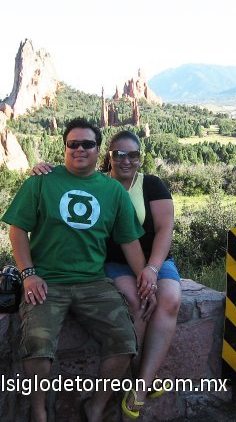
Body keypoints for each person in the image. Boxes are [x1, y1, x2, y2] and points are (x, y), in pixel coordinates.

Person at [2, 119, 158, 422]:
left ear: (98, 150)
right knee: (37, 344)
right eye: (73, 143)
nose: (80, 149)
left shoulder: (112, 191)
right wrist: (28, 273)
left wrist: (147, 283)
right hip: (47, 281)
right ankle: (38, 412)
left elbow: (130, 243)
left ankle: (95, 407)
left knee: (125, 342)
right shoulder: (41, 182)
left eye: (87, 144)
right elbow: (17, 230)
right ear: (64, 148)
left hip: (93, 282)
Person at [32, 129, 181, 419]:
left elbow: (165, 229)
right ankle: (140, 377)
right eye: (118, 154)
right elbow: (66, 179)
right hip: (115, 263)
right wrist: (40, 169)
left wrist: (151, 269)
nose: (126, 160)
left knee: (171, 298)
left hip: (155, 260)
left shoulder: (151, 185)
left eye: (133, 155)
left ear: (140, 158)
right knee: (136, 301)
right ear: (107, 156)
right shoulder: (97, 184)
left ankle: (140, 386)